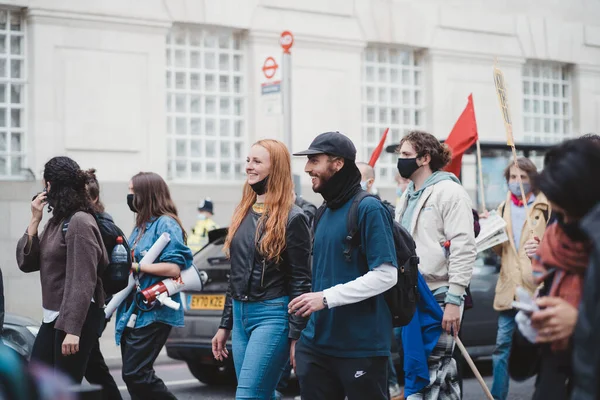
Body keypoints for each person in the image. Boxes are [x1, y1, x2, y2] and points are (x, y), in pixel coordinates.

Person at [290, 131, 398, 400]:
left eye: (314, 160)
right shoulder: (323, 210)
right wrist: (302, 337)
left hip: (361, 347)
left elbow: (386, 275)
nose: (307, 168)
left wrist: (326, 298)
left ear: (337, 163)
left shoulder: (369, 208)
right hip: (317, 346)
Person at [211, 139, 312, 400]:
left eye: (257, 162)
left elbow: (301, 281)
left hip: (272, 316)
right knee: (262, 394)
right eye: (248, 160)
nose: (249, 167)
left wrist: (296, 335)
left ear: (275, 168)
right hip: (241, 316)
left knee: (248, 396)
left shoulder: (294, 217)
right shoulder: (242, 211)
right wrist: (225, 325)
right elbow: (236, 274)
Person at [515, 137, 600, 400]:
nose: (564, 227)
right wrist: (530, 328)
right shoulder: (554, 249)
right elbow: (520, 368)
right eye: (558, 215)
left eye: (572, 215)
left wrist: (579, 325)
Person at [394, 131, 476, 399]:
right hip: (411, 295)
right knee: (443, 375)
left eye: (406, 155)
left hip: (439, 295)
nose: (400, 160)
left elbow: (463, 247)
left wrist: (454, 299)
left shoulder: (451, 192)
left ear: (425, 158)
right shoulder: (407, 195)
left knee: (430, 373)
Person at [16, 157, 108, 383]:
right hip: (54, 318)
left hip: (73, 320)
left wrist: (73, 330)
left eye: (45, 184)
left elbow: (83, 280)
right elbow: (27, 263)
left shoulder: (79, 222)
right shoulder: (57, 221)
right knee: (39, 383)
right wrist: (34, 220)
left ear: (51, 186)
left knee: (64, 389)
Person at [115, 172, 193, 399]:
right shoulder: (141, 225)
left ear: (146, 194)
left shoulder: (166, 223)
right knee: (134, 376)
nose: (129, 196)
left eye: (132, 191)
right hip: (135, 309)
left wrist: (138, 267)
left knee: (136, 373)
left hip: (155, 309)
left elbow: (174, 268)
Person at [489, 158, 550, 400]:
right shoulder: (501, 208)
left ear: (532, 179)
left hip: (537, 288)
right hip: (509, 291)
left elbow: (556, 245)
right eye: (513, 177)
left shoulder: (546, 207)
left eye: (523, 177)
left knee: (545, 350)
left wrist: (542, 247)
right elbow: (499, 251)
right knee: (501, 349)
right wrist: (490, 231)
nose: (517, 182)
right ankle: (497, 397)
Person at [356, 161, 403, 400]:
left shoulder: (378, 209)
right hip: (357, 297)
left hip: (378, 295)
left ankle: (392, 384)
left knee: (380, 350)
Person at [82, 169, 122, 400]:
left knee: (91, 366)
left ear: (95, 199)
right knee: (92, 366)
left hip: (95, 305)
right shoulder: (94, 221)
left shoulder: (102, 226)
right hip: (93, 305)